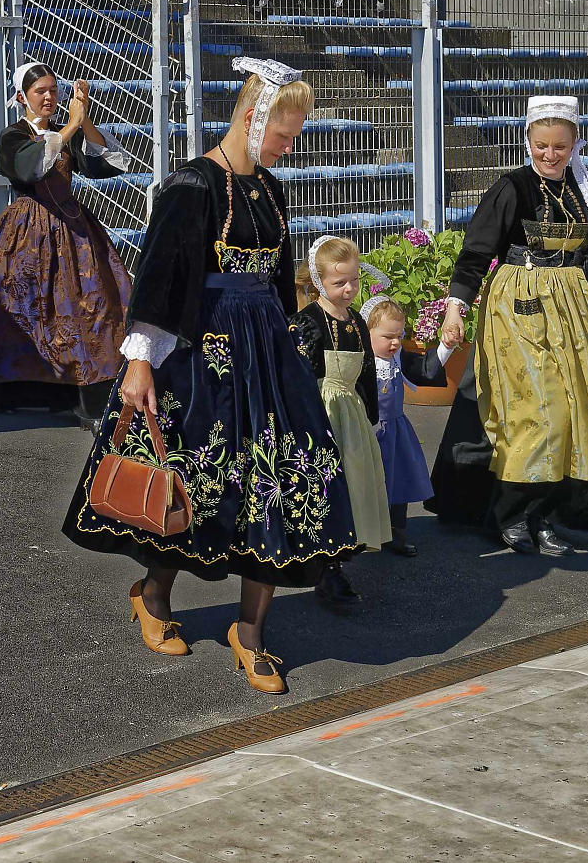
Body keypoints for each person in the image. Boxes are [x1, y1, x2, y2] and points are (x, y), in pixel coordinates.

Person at [63, 58, 355, 694]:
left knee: (283, 479)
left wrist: (296, 345)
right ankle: (155, 595)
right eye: (284, 134)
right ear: (252, 121)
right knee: (197, 478)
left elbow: (279, 281)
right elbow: (161, 278)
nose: (289, 146)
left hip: (266, 355)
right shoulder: (192, 187)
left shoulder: (270, 191)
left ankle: (250, 633)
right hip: (203, 350)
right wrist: (140, 361)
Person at [430, 95, 588, 555]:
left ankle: (545, 514)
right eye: (541, 146)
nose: (550, 155)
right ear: (527, 143)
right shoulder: (511, 187)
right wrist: (456, 308)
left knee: (576, 416)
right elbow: (477, 253)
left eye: (559, 146)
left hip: (575, 313)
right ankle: (509, 513)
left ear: (574, 144)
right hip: (519, 310)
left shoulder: (583, 190)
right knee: (538, 414)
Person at [0, 63, 132, 427]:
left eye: (53, 90)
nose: (49, 97)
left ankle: (89, 395)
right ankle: (22, 389)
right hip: (27, 229)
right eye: (40, 92)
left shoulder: (66, 133)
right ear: (22, 98)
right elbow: (30, 168)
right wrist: (69, 128)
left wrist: (84, 121)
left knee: (90, 306)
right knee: (25, 309)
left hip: (73, 229)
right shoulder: (13, 135)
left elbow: (111, 165)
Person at [290, 235, 388, 607]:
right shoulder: (306, 323)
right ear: (318, 282)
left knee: (354, 487)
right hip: (321, 415)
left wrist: (372, 416)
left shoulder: (357, 322)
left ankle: (339, 558)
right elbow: (298, 378)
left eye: (354, 281)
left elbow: (365, 374)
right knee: (326, 491)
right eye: (339, 283)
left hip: (351, 416)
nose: (349, 289)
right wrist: (306, 425)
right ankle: (324, 567)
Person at [365, 296, 452, 558]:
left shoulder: (398, 358)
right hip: (370, 431)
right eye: (387, 336)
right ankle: (362, 533)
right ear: (366, 332)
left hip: (395, 431)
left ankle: (395, 531)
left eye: (399, 335)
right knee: (368, 482)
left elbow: (425, 369)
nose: (395, 342)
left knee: (398, 480)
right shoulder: (362, 362)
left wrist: (446, 346)